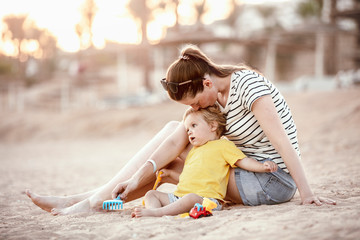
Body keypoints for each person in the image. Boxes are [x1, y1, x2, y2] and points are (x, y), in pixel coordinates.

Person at [26, 45, 335, 216]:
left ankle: (91, 200)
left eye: (197, 102)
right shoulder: (219, 96)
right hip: (244, 174)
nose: (198, 109)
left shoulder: (249, 86)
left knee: (174, 154)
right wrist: (139, 177)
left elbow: (283, 143)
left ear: (207, 83)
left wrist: (307, 193)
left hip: (271, 180)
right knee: (174, 132)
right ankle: (93, 197)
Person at [132, 105, 278, 218]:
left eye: (193, 126)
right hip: (180, 197)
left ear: (213, 126)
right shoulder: (194, 151)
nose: (189, 132)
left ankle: (157, 213)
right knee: (151, 194)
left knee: (190, 198)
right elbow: (188, 179)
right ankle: (155, 212)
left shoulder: (223, 146)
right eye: (187, 129)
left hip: (206, 200)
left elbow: (243, 161)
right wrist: (170, 174)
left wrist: (262, 167)